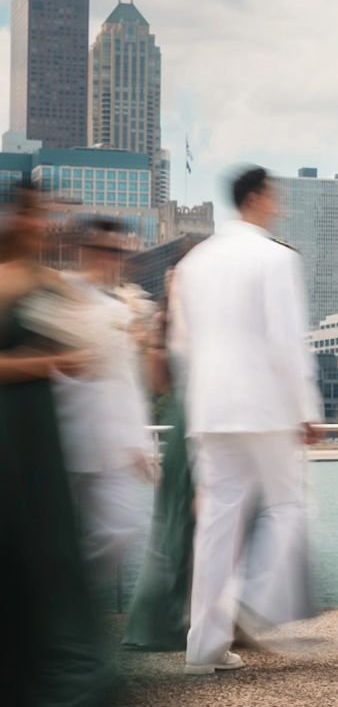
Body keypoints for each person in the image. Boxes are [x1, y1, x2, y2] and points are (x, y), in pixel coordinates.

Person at [169, 166, 319, 675]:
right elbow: (286, 339)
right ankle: (256, 597)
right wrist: (307, 408)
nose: (278, 202)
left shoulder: (195, 262)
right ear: (256, 197)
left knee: (216, 524)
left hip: (210, 407)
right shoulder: (274, 258)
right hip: (265, 405)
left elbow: (181, 343)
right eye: (273, 194)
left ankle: (204, 647)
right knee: (289, 506)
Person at [0, 184, 117, 707]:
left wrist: (74, 354)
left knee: (47, 545)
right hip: (12, 427)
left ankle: (52, 673)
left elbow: (74, 356)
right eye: (37, 214)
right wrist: (55, 359)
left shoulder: (44, 280)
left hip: (38, 429)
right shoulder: (8, 280)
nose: (45, 223)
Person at [53, 218, 156, 587]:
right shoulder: (59, 293)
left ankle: (66, 600)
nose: (113, 258)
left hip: (112, 447)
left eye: (119, 252)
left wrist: (140, 444)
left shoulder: (120, 309)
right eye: (106, 250)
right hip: (62, 439)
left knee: (121, 531)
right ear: (85, 250)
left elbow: (128, 381)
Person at [125, 260, 203, 651]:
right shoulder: (178, 326)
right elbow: (158, 383)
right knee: (181, 525)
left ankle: (183, 617)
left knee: (181, 525)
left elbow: (159, 384)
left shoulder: (170, 325)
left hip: (186, 425)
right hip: (191, 426)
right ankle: (164, 621)